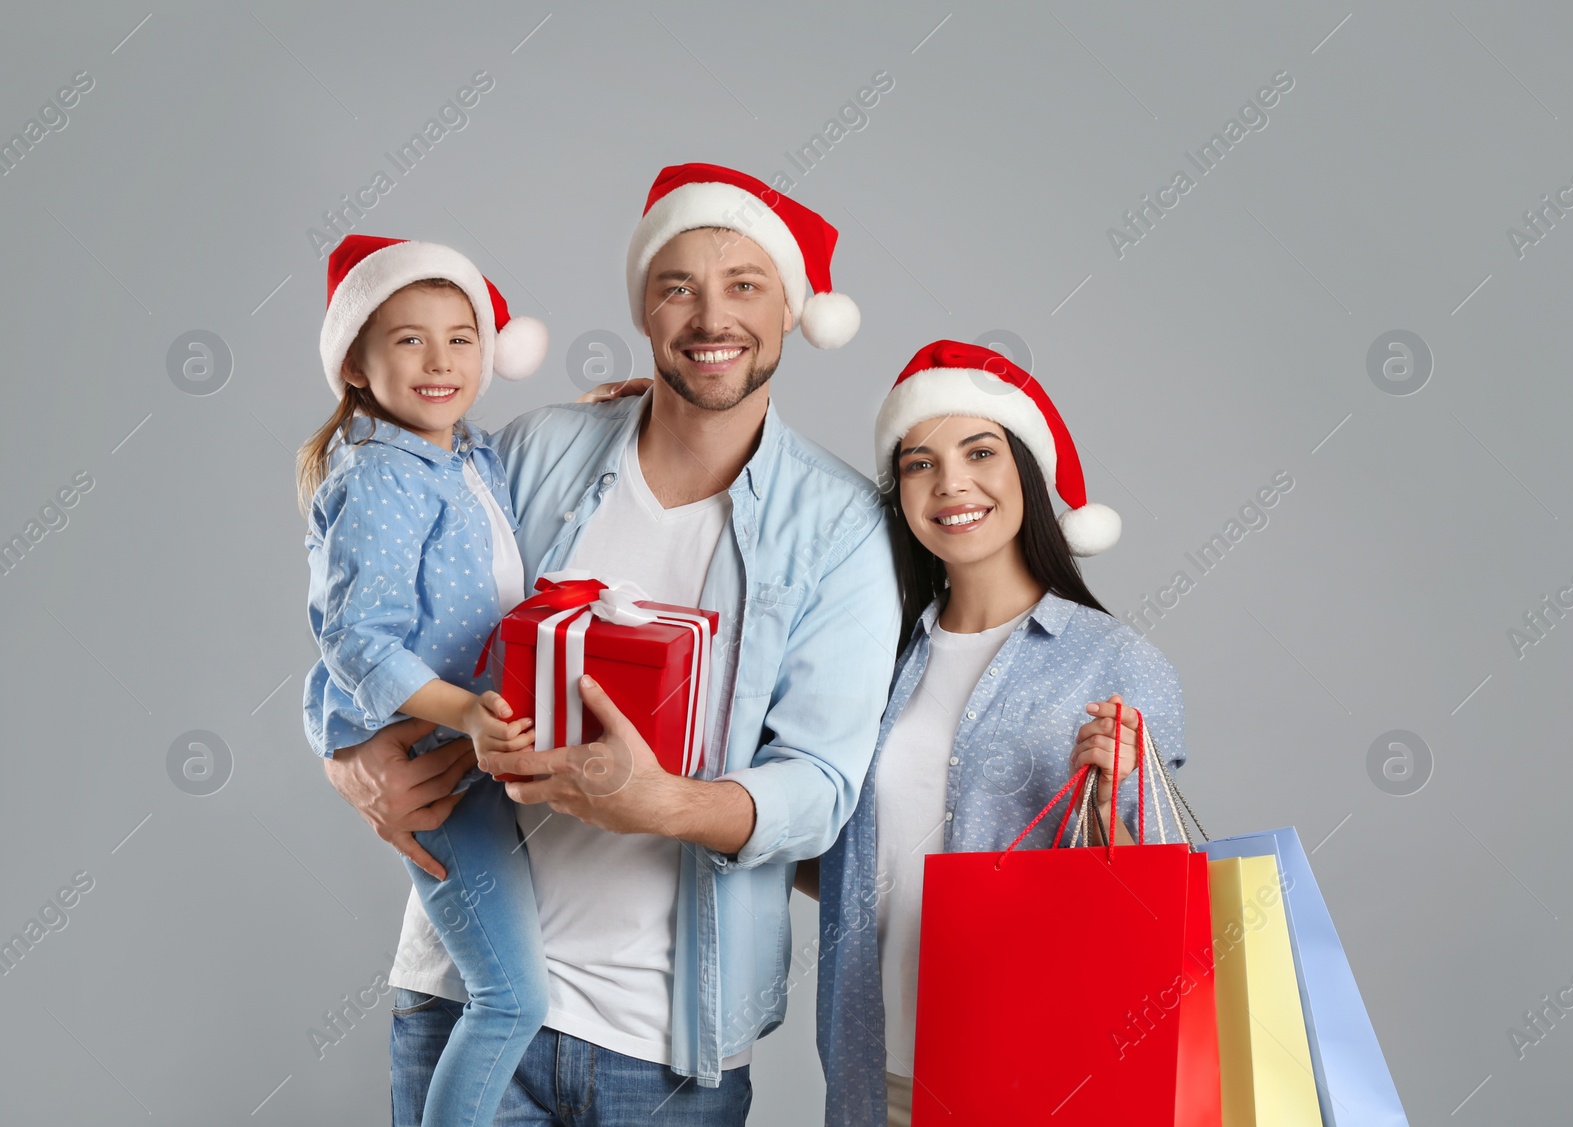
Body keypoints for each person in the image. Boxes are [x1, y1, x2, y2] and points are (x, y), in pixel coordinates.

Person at [320, 163, 899, 1125]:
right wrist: (347, 762)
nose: (713, 319)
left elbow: (824, 789)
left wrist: (661, 802)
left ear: (793, 309)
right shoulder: (536, 449)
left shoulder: (840, 528)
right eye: (680, 287)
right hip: (465, 1007)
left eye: (745, 286)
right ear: (644, 307)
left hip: (666, 1057)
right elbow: (375, 595)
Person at [806, 340, 1188, 1127]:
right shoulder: (877, 661)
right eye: (920, 462)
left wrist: (1119, 796)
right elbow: (853, 857)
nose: (952, 483)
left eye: (980, 451)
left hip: (1030, 1079)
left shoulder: (1115, 661)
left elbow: (1160, 910)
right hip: (873, 1075)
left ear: (1026, 471)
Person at [299, 234, 552, 1127]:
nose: (440, 359)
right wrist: (467, 714)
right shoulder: (377, 477)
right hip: (444, 772)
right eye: (409, 339)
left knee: (512, 991)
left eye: (461, 337)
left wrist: (615, 406)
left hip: (475, 756)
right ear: (358, 368)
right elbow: (359, 642)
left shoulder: (468, 455)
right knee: (512, 999)